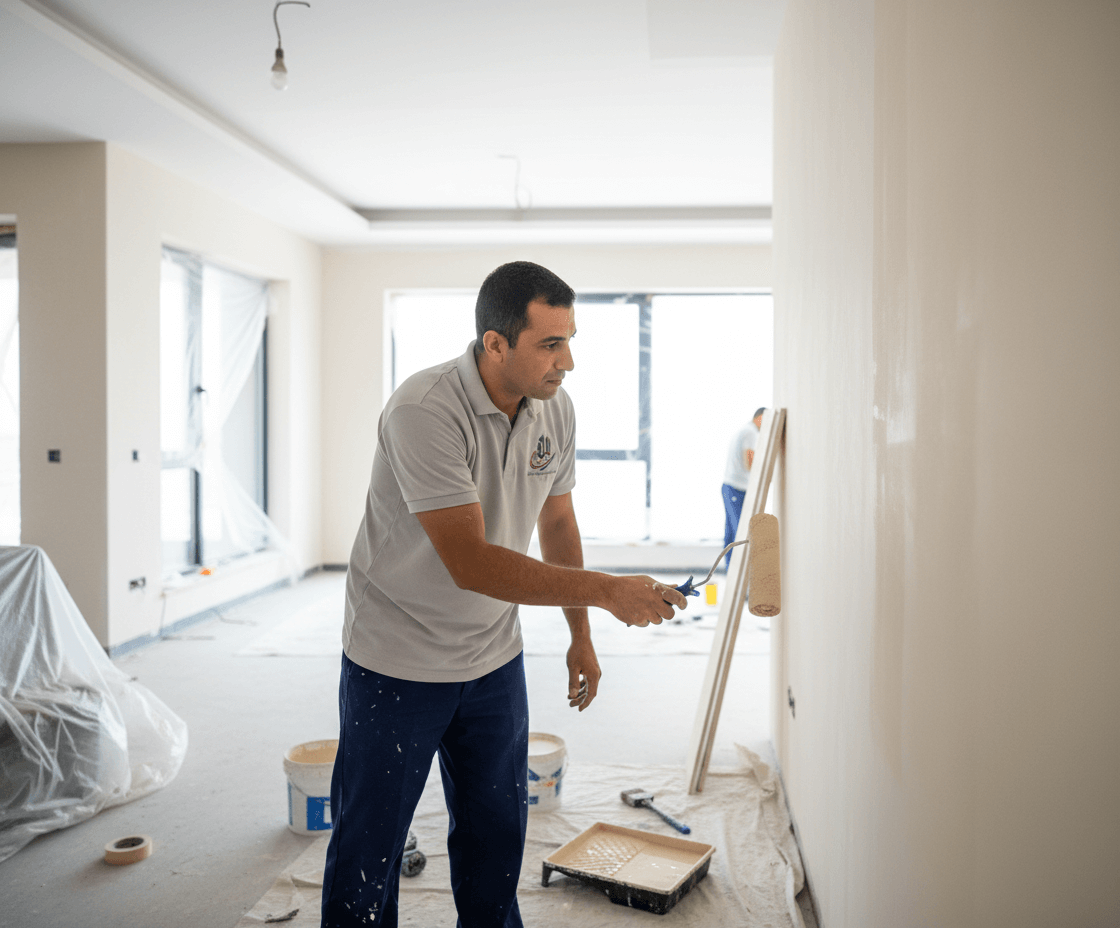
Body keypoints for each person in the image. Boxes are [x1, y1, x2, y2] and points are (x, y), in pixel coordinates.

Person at [321, 261, 687, 928]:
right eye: (550, 343)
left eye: (570, 339)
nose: (567, 361)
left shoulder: (554, 407)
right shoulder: (423, 410)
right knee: (367, 851)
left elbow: (556, 521)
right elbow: (471, 563)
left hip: (492, 661)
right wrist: (608, 590)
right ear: (495, 344)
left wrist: (581, 633)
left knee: (495, 838)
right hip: (396, 663)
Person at [721, 407, 766, 567]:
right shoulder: (751, 433)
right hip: (737, 488)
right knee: (740, 532)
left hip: (729, 486)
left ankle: (730, 571)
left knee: (732, 532)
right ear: (760, 418)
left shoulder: (744, 430)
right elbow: (749, 463)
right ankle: (738, 574)